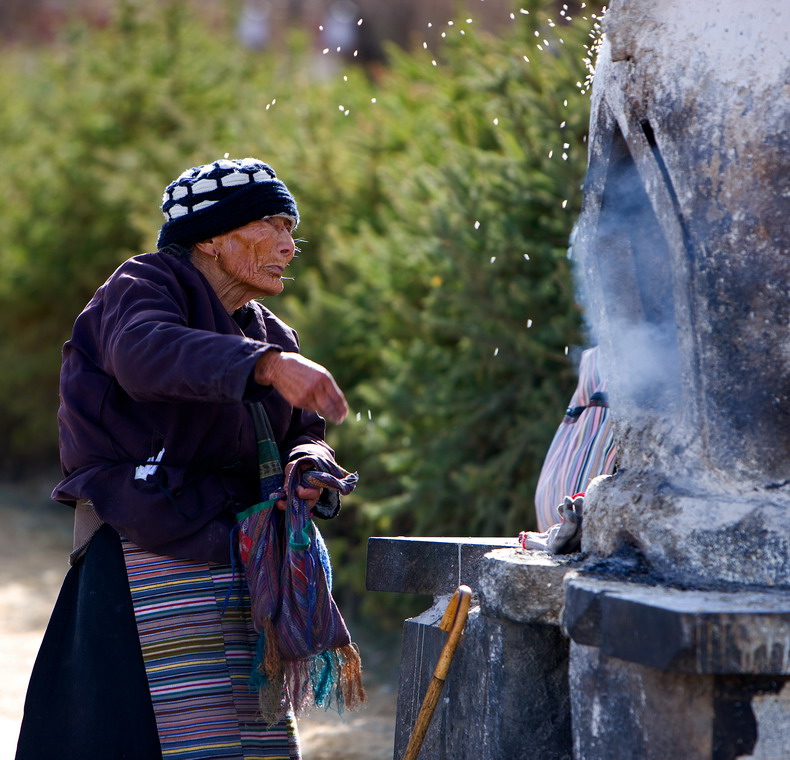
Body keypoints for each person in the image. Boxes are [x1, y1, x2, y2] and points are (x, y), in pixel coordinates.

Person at [16, 158, 352, 760]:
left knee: (247, 739)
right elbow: (146, 354)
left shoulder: (270, 331)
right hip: (140, 558)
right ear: (209, 238)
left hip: (234, 563)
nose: (288, 246)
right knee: (131, 739)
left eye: (290, 229)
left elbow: (305, 431)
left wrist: (309, 466)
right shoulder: (139, 289)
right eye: (272, 225)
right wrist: (264, 367)